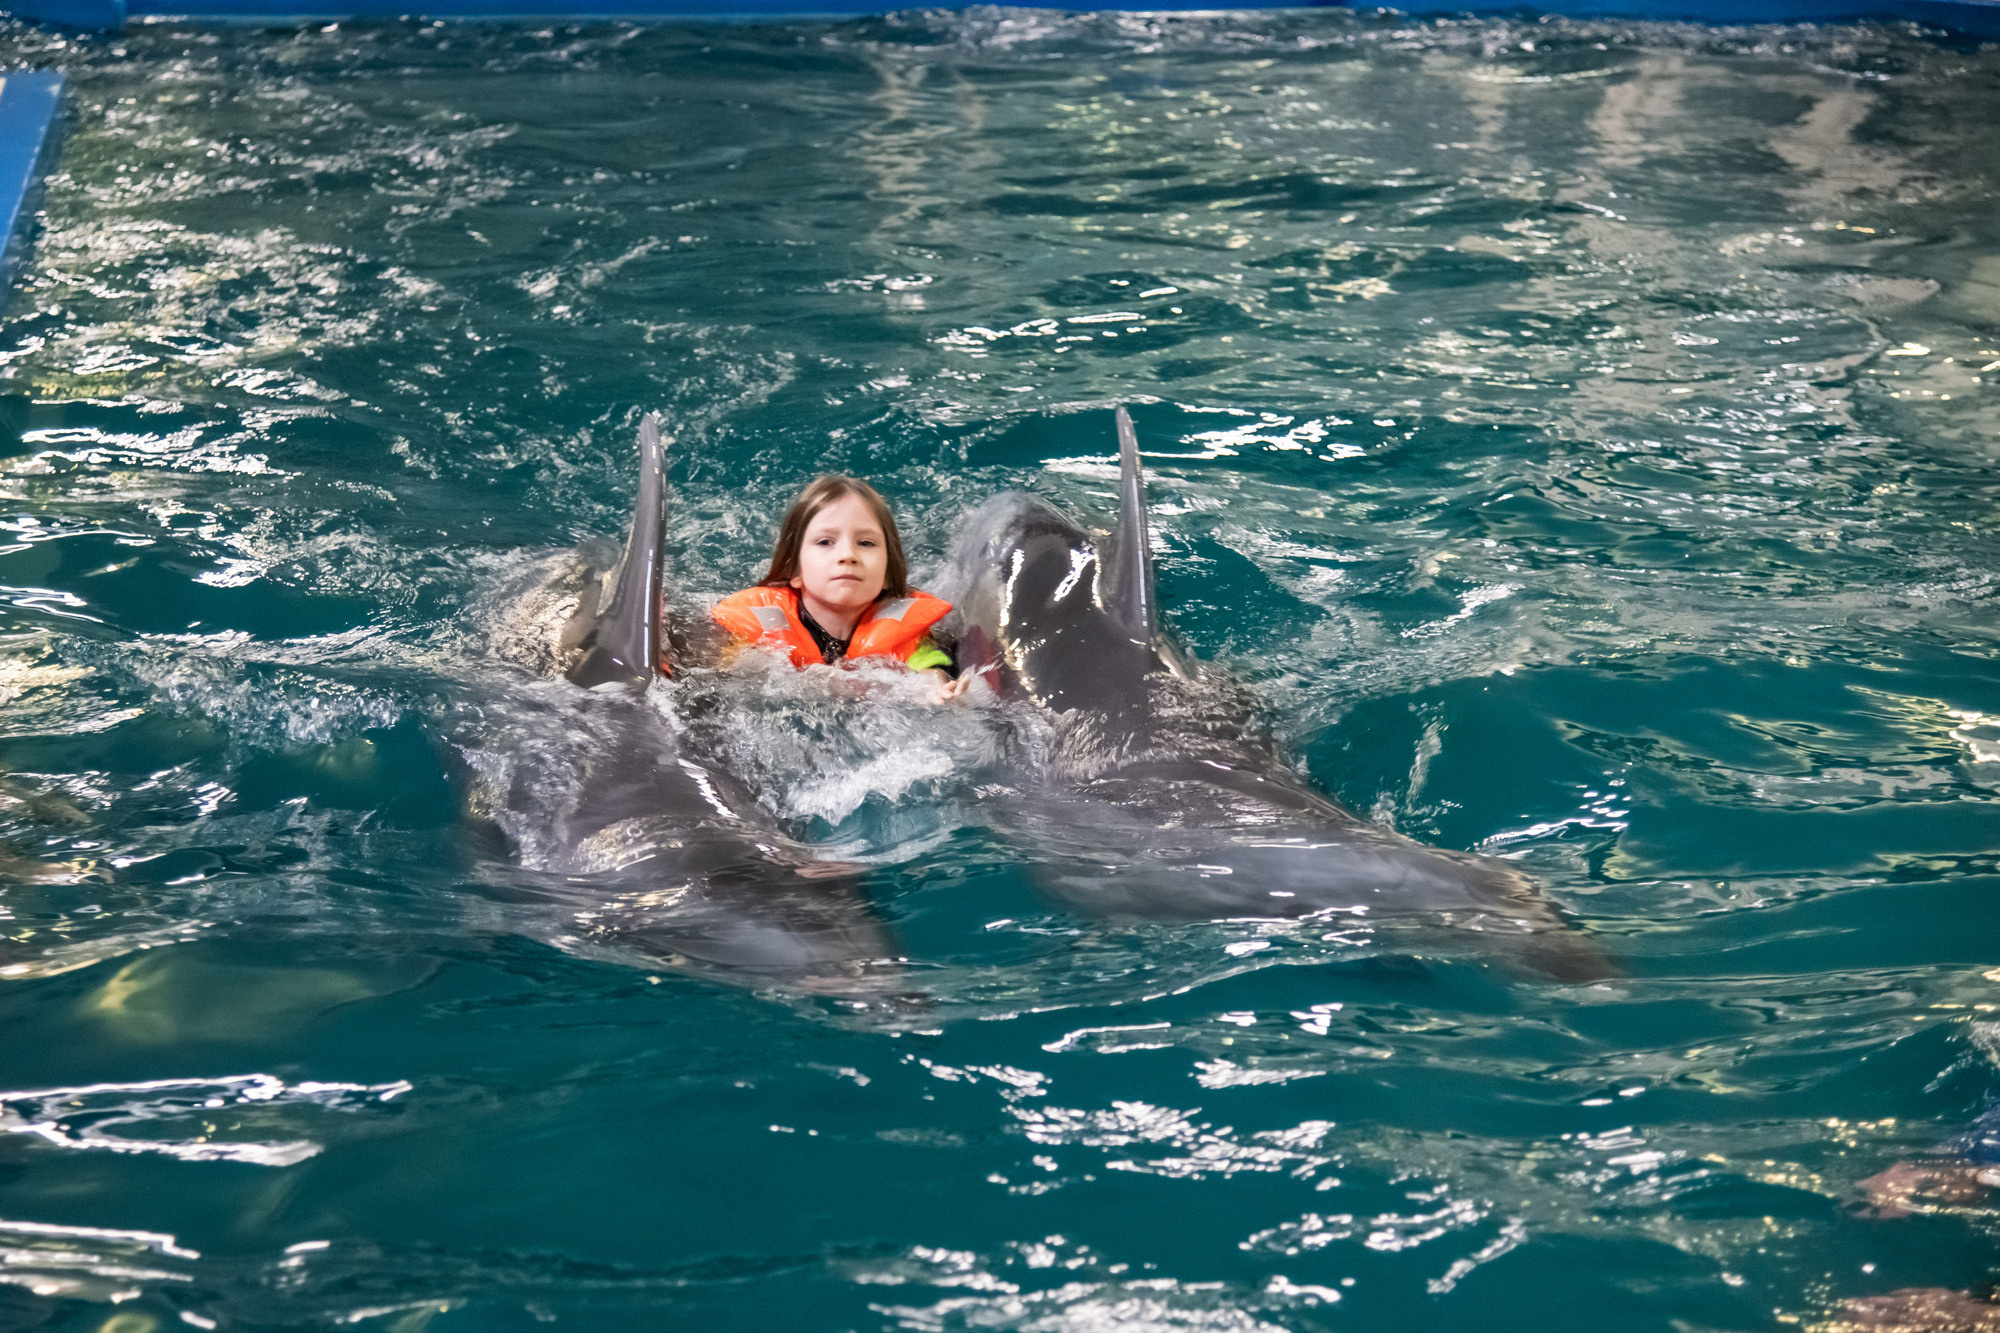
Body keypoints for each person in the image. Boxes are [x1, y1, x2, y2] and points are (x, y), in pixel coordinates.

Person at [712, 475, 969, 701]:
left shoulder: (911, 637)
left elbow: (931, 672)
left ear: (888, 573)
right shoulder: (760, 632)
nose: (847, 554)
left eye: (866, 543)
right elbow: (729, 677)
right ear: (794, 570)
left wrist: (935, 688)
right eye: (825, 542)